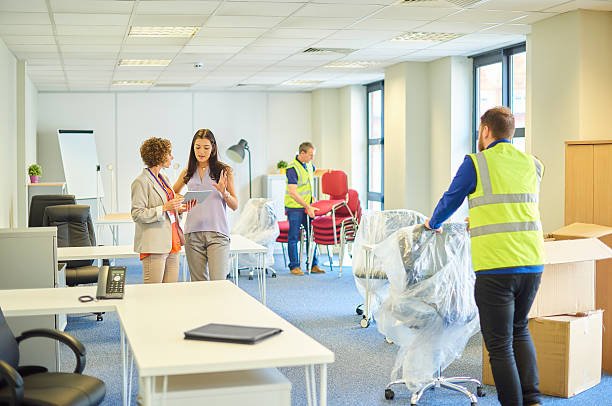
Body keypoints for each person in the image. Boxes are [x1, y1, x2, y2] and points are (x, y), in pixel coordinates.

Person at [425, 106, 544, 406]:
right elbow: (512, 207)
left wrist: (433, 223)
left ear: (486, 131)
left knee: (500, 345)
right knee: (520, 329)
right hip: (532, 263)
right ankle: (533, 401)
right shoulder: (532, 163)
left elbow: (451, 199)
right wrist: (477, 218)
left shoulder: (476, 163)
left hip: (496, 267)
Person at [173, 129, 238, 281]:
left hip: (218, 233)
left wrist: (224, 192)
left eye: (206, 147)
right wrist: (183, 201)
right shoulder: (187, 172)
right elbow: (172, 193)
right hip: (192, 234)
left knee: (218, 282)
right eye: (197, 147)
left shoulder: (224, 171)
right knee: (199, 285)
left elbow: (235, 205)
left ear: (213, 148)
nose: (201, 152)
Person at [131, 137, 192, 284]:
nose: (172, 157)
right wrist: (164, 208)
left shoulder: (163, 178)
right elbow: (137, 214)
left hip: (172, 241)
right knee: (153, 292)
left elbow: (169, 208)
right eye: (169, 153)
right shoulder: (141, 182)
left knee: (170, 291)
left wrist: (180, 209)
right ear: (158, 155)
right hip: (155, 244)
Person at [284, 141, 331, 276]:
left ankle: (313, 264)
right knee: (294, 237)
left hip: (308, 207)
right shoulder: (292, 168)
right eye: (310, 155)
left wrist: (327, 171)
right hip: (295, 208)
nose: (312, 157)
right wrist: (307, 206)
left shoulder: (308, 164)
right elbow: (293, 192)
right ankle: (294, 266)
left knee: (312, 236)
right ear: (302, 153)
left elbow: (314, 171)